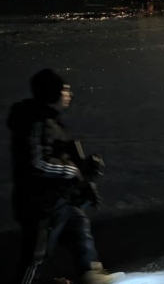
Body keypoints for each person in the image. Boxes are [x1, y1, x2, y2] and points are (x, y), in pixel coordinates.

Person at [8, 69, 122, 284]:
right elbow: (37, 163)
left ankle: (91, 273)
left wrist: (83, 171)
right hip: (39, 205)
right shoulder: (37, 122)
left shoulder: (50, 121)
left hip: (56, 200)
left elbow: (60, 155)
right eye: (65, 90)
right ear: (52, 93)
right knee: (36, 256)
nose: (69, 94)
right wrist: (72, 170)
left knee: (78, 225)